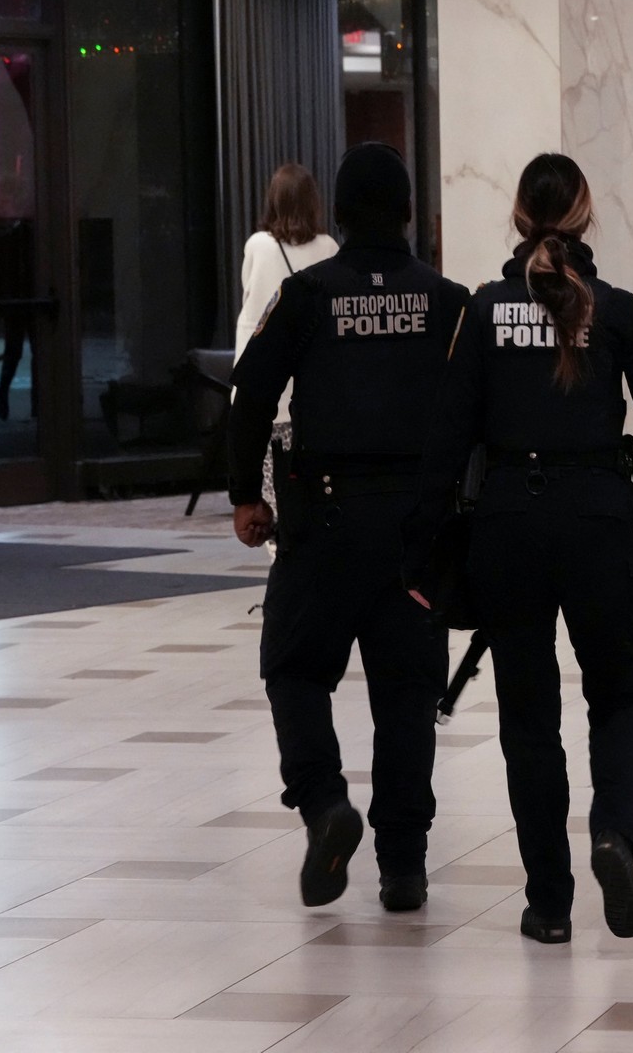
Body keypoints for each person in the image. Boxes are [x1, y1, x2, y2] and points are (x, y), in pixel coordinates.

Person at [403, 153, 633, 944]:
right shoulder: (611, 308)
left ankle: (549, 904)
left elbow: (444, 439)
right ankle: (614, 832)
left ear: (518, 217)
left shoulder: (483, 309)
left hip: (508, 527)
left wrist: (417, 551)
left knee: (528, 719)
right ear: (584, 218)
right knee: (616, 695)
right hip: (598, 523)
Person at [228, 143, 468, 913]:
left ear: (337, 212)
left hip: (323, 524)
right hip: (415, 531)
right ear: (406, 212)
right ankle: (403, 867)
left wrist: (244, 496)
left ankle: (327, 804)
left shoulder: (308, 295)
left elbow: (251, 393)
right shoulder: (447, 301)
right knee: (406, 695)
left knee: (294, 671)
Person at [233, 164, 339, 531]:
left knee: (269, 477)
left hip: (265, 387)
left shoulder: (257, 246)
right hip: (313, 390)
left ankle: (278, 545)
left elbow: (250, 296)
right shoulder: (329, 247)